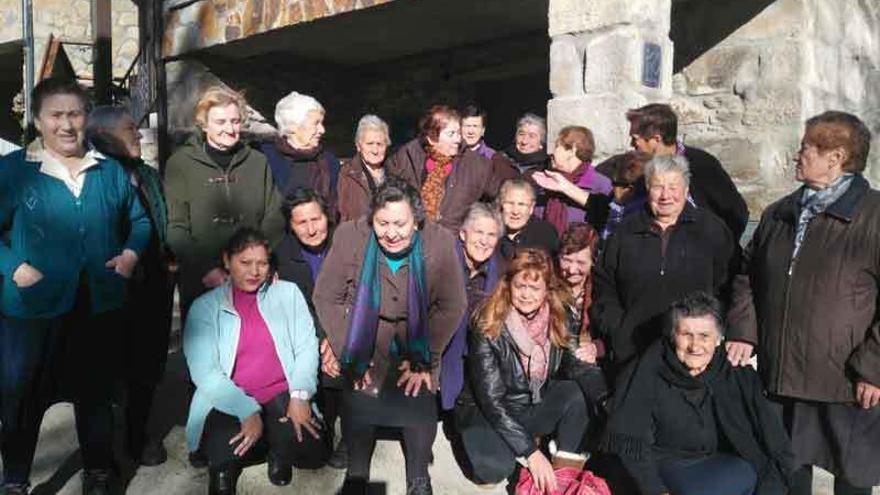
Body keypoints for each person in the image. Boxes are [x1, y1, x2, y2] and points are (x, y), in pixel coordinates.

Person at [0, 78, 151, 494]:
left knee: (96, 392)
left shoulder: (109, 170)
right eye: (56, 115)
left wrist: (130, 255)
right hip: (31, 307)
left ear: (86, 117)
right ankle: (14, 478)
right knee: (22, 396)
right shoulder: (13, 171)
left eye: (75, 114)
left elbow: (138, 222)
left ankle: (99, 472)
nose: (66, 125)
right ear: (37, 120)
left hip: (97, 302)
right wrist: (12, 266)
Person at [727, 111, 880, 495]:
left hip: (845, 378)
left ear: (836, 157)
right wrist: (745, 332)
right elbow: (747, 275)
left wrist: (874, 367)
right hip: (782, 374)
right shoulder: (780, 212)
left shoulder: (874, 215)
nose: (798, 154)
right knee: (786, 474)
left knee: (853, 478)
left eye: (807, 147)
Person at [313, 179, 467, 494]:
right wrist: (348, 350)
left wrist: (427, 358)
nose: (391, 233)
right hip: (365, 335)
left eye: (400, 223)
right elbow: (326, 296)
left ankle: (419, 477)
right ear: (372, 219)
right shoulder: (349, 236)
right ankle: (356, 474)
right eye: (382, 223)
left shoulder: (440, 242)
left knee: (418, 398)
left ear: (417, 220)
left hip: (418, 337)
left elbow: (453, 304)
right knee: (359, 395)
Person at [602, 292, 794, 495]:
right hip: (666, 463)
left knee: (753, 475)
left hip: (721, 461)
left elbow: (773, 439)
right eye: (686, 335)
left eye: (704, 336)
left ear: (719, 339)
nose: (695, 346)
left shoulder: (735, 374)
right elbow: (633, 445)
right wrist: (656, 491)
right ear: (673, 335)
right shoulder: (647, 370)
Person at [184, 228, 328, 495]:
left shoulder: (288, 294)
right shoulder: (205, 307)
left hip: (279, 391)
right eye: (245, 263)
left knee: (311, 448)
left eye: (262, 263)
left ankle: (276, 450)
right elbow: (205, 373)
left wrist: (300, 395)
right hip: (230, 397)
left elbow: (307, 347)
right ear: (227, 261)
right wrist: (246, 410)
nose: (254, 272)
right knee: (222, 448)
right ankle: (229, 464)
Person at [455, 248, 593, 488]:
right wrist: (531, 453)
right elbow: (491, 401)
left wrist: (603, 395)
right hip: (488, 411)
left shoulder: (559, 315)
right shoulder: (487, 321)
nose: (526, 295)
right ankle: (477, 443)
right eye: (520, 286)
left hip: (530, 402)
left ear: (546, 291)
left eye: (534, 288)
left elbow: (573, 365)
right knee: (493, 469)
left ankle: (562, 479)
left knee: (576, 392)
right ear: (509, 285)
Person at [86, 105, 174, 467]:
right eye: (129, 129)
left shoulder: (148, 175)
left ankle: (138, 434)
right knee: (108, 368)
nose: (138, 134)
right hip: (111, 286)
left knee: (148, 363)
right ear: (103, 136)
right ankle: (104, 451)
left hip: (153, 284)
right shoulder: (91, 176)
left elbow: (162, 218)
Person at [590, 155, 736, 370]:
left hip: (695, 356)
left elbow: (728, 286)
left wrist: (714, 334)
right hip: (634, 353)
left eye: (673, 187)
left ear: (686, 190)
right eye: (658, 187)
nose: (666, 195)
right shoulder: (625, 232)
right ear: (648, 189)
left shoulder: (711, 230)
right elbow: (604, 288)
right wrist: (620, 330)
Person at [165, 86, 285, 320]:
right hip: (203, 279)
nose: (229, 129)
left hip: (254, 276)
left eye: (235, 121)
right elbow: (176, 226)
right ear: (204, 124)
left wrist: (257, 263)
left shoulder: (258, 162)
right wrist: (207, 269)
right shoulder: (180, 164)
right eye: (220, 122)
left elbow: (274, 214)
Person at [274, 188, 348, 468]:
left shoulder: (346, 243)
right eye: (301, 222)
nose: (311, 228)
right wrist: (322, 341)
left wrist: (335, 339)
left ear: (326, 217)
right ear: (291, 227)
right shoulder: (283, 255)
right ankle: (323, 420)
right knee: (310, 457)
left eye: (315, 219)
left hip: (345, 328)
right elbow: (296, 311)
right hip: (308, 335)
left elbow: (359, 296)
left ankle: (354, 432)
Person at [625, 103, 749, 240]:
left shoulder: (702, 165)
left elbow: (736, 212)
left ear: (656, 139)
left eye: (635, 139)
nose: (631, 145)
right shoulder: (642, 171)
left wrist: (718, 249)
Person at [387, 105, 511, 231]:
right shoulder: (408, 156)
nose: (457, 139)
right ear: (431, 138)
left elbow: (498, 198)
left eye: (458, 133)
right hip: (411, 237)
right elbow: (389, 193)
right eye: (451, 134)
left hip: (453, 242)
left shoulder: (477, 165)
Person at [440, 202, 506, 412]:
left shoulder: (501, 274)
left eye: (491, 235)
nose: (484, 241)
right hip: (434, 354)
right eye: (479, 232)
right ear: (463, 234)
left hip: (473, 361)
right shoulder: (441, 262)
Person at [261, 91, 341, 216]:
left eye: (322, 123)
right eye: (316, 123)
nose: (322, 130)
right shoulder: (265, 158)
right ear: (293, 126)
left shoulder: (330, 162)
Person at [529, 125, 612, 236]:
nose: (551, 153)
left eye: (557, 147)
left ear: (572, 150)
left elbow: (609, 218)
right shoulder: (547, 179)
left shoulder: (599, 184)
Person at [338, 114, 391, 222]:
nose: (375, 150)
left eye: (380, 144)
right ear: (358, 145)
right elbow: (341, 216)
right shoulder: (346, 175)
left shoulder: (395, 172)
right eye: (370, 144)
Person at [497, 179, 559, 259]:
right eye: (510, 203)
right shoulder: (491, 229)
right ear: (500, 204)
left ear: (531, 208)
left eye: (522, 205)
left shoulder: (545, 233)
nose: (515, 211)